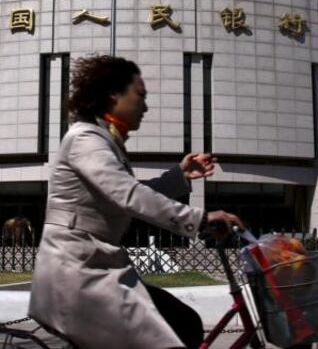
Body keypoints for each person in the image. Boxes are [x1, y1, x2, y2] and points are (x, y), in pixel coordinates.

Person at [29, 55, 242, 349]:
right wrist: (202, 219)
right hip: (75, 277)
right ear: (113, 94)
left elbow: (130, 191)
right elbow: (128, 194)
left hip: (96, 270)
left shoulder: (106, 141)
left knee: (185, 323)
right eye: (139, 95)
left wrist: (179, 176)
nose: (145, 105)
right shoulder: (85, 139)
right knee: (176, 331)